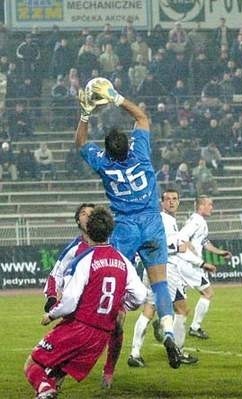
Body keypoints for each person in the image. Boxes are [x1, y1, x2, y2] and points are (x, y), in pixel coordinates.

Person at [75, 79, 182, 385]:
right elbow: (142, 118)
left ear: (107, 150)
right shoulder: (141, 155)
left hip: (124, 226)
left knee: (117, 287)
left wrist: (85, 114)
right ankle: (169, 333)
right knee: (160, 283)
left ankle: (111, 336)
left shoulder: (103, 164)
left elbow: (81, 144)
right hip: (151, 222)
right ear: (129, 145)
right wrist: (116, 97)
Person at [24, 206, 147, 399]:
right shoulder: (122, 260)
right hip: (101, 336)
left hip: (79, 326)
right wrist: (119, 305)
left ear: (88, 230)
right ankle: (48, 391)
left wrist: (51, 314)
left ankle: (45, 391)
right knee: (57, 372)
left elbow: (71, 301)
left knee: (33, 365)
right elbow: (140, 295)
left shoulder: (84, 260)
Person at [128, 189, 199, 367]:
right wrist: (178, 246)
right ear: (162, 202)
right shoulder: (164, 219)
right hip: (165, 269)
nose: (172, 202)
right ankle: (178, 350)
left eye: (175, 199)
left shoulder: (164, 219)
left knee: (149, 310)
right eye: (168, 199)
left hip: (151, 268)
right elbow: (159, 243)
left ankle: (135, 353)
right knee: (181, 310)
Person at [177, 195, 232, 339]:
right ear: (201, 206)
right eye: (209, 204)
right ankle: (195, 327)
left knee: (177, 297)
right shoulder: (196, 221)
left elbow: (205, 243)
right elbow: (182, 237)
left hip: (187, 264)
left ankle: (162, 321)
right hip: (189, 265)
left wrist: (220, 253)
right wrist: (195, 256)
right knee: (208, 293)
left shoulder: (200, 221)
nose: (211, 207)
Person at [43, 203, 95, 311]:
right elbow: (56, 274)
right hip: (81, 307)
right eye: (84, 214)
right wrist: (52, 297)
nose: (88, 216)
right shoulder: (74, 248)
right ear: (78, 221)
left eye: (91, 214)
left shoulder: (113, 243)